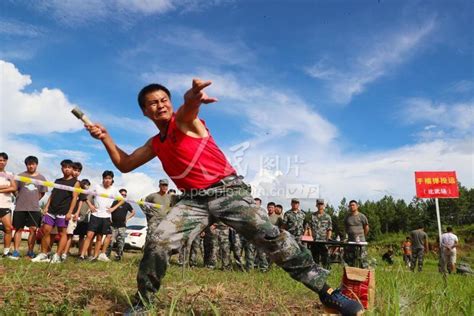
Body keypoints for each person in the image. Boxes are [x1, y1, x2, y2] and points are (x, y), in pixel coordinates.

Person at [86, 79, 363, 315]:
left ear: (171, 102)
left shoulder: (185, 122)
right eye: (152, 103)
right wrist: (106, 138)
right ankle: (143, 303)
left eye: (163, 100)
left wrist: (192, 98)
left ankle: (327, 291)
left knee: (271, 238)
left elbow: (187, 111)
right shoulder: (155, 144)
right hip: (193, 201)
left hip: (228, 192)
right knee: (158, 240)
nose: (159, 105)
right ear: (144, 112)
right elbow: (125, 164)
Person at [32, 159, 80, 263]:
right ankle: (44, 254)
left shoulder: (75, 183)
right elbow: (52, 195)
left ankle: (57, 256)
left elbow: (74, 199)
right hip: (51, 210)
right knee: (46, 230)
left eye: (69, 167)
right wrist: (46, 206)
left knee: (62, 233)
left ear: (72, 169)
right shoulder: (57, 181)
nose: (66, 169)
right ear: (62, 168)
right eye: (64, 167)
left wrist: (69, 212)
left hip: (64, 212)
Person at [79, 170, 123, 261]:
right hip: (95, 215)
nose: (107, 180)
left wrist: (113, 208)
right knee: (89, 235)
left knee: (100, 237)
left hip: (106, 216)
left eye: (109, 178)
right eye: (106, 178)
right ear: (103, 179)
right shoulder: (96, 187)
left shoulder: (114, 190)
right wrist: (90, 205)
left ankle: (95, 256)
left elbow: (122, 200)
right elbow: (84, 194)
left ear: (112, 180)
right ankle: (82, 256)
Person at [11, 156, 48, 259]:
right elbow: (14, 188)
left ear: (36, 164)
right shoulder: (20, 176)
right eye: (29, 164)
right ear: (26, 165)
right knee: (18, 229)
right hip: (20, 207)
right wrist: (18, 197)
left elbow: (43, 192)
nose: (31, 166)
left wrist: (35, 200)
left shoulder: (41, 178)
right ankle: (16, 251)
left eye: (33, 164)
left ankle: (30, 251)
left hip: (34, 208)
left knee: (33, 230)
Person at [63, 162, 87, 260]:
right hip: (62, 210)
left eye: (78, 171)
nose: (76, 172)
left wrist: (77, 212)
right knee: (61, 233)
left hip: (73, 213)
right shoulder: (64, 181)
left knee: (69, 234)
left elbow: (81, 199)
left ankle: (65, 253)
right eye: (75, 170)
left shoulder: (80, 184)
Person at [107, 188, 135, 260]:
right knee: (110, 242)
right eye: (122, 195)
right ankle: (107, 256)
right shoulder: (114, 202)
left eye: (125, 195)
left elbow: (133, 212)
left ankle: (118, 257)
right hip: (113, 226)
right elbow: (108, 210)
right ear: (119, 195)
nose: (123, 196)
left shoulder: (127, 204)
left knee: (121, 243)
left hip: (122, 226)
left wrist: (127, 218)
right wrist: (109, 219)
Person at [305, 199, 332, 268]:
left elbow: (329, 229)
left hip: (324, 241)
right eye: (319, 204)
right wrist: (310, 237)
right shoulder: (312, 216)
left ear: (324, 206)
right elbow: (309, 228)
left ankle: (326, 271)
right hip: (314, 241)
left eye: (321, 204)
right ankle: (315, 272)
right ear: (316, 205)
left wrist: (328, 239)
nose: (320, 206)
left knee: (325, 258)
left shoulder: (327, 217)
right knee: (314, 258)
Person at [0, 152, 17, 259]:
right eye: (0, 160)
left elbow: (14, 188)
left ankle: (6, 253)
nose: (1, 162)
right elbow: (10, 188)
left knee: (8, 229)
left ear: (6, 162)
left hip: (5, 205)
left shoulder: (10, 174)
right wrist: (6, 187)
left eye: (3, 160)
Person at [343, 200, 369, 268]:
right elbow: (345, 228)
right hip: (350, 241)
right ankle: (351, 275)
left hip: (361, 242)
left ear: (357, 206)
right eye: (350, 205)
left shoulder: (362, 216)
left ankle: (364, 275)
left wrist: (363, 236)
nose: (351, 207)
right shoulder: (347, 217)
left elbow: (366, 227)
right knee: (350, 260)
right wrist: (346, 237)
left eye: (353, 205)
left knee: (363, 260)